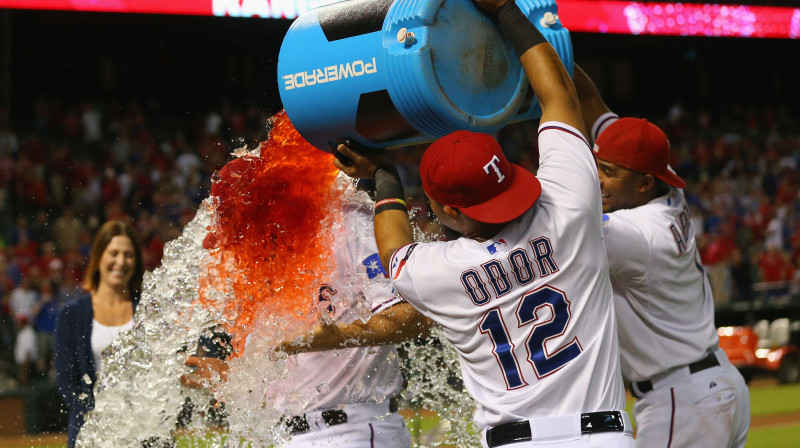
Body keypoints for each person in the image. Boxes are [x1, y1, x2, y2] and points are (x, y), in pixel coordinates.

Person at [333, 1, 634, 447]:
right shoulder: (568, 206)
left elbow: (394, 251)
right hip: (600, 436)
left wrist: (384, 175)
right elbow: (561, 98)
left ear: (449, 210)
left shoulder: (442, 273)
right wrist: (505, 12)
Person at [181, 157, 431, 448]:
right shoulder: (258, 262)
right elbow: (295, 379)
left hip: (356, 431)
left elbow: (415, 318)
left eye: (248, 224)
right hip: (292, 434)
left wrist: (334, 337)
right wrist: (234, 381)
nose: (245, 238)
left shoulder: (349, 222)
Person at [572, 63, 751, 447]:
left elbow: (561, 226)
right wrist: (546, 43)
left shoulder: (638, 234)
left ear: (644, 182)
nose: (597, 178)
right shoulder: (660, 185)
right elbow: (588, 98)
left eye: (607, 171)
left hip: (682, 399)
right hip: (714, 383)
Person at [54, 220, 145, 448]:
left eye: (128, 255)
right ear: (99, 256)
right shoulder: (72, 314)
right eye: (113, 253)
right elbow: (67, 382)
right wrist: (101, 418)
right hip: (92, 432)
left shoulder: (148, 309)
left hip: (144, 432)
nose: (121, 262)